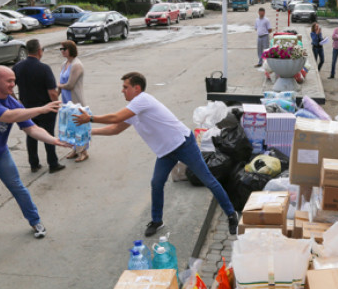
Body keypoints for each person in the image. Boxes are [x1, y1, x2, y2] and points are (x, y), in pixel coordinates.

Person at [73, 72, 239, 237]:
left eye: (125, 87)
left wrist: (90, 118)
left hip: (183, 144)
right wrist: (89, 133)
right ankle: (157, 221)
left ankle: (231, 214)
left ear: (137, 88)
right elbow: (115, 128)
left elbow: (115, 117)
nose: (122, 91)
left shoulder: (142, 100)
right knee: (157, 183)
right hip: (166, 152)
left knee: (208, 179)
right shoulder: (133, 108)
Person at [0, 66, 68, 245]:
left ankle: (35, 222)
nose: (12, 84)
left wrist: (53, 141)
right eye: (9, 81)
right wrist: (41, 109)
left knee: (18, 187)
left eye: (14, 81)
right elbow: (8, 117)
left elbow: (31, 128)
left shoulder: (13, 102)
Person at [12, 39, 65, 174]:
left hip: (27, 108)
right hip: (45, 108)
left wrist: (17, 101)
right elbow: (52, 92)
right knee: (48, 134)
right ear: (39, 51)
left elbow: (9, 87)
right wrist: (56, 105)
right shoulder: (44, 68)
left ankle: (34, 164)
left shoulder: (17, 67)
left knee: (31, 135)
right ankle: (53, 163)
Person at [57, 40, 89, 162]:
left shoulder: (76, 65)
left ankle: (84, 151)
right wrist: (57, 94)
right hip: (66, 100)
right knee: (70, 126)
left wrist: (58, 85)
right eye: (61, 49)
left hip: (75, 99)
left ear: (70, 50)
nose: (62, 51)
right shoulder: (64, 63)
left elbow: (70, 85)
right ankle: (75, 149)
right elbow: (61, 82)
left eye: (63, 49)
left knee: (78, 125)